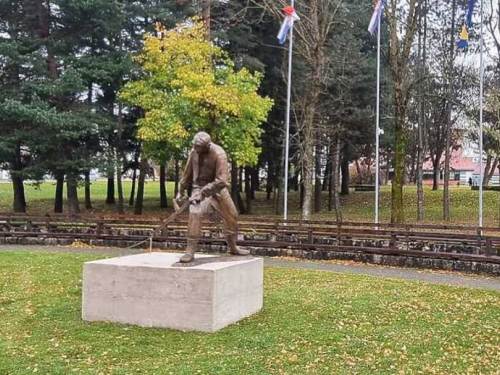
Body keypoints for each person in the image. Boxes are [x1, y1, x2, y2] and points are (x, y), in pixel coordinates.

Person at [176, 132, 250, 263]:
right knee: (195, 214)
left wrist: (205, 192)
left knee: (232, 215)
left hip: (218, 189)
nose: (196, 150)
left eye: (199, 147)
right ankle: (190, 251)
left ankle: (233, 247)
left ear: (207, 146)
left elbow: (222, 180)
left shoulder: (219, 154)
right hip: (198, 187)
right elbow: (187, 173)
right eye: (194, 146)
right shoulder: (194, 152)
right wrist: (180, 191)